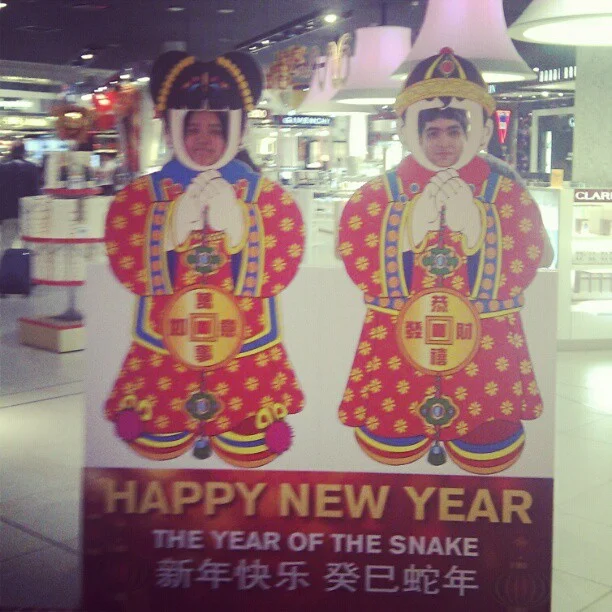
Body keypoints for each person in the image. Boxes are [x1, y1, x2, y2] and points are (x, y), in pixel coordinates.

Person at [337, 48, 551, 474]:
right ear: (413, 133)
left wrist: (480, 229)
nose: (444, 144)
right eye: (432, 132)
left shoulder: (504, 190)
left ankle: (481, 421)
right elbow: (355, 253)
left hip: (484, 347)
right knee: (389, 437)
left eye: (453, 131)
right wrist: (405, 232)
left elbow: (535, 256)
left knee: (490, 440)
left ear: (476, 132)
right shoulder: (378, 194)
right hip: (402, 340)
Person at [104, 51, 305, 468]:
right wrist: (170, 230)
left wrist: (239, 233)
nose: (204, 138)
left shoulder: (266, 197)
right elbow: (126, 264)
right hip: (165, 344)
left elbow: (282, 267)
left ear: (237, 131)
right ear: (174, 128)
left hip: (245, 345)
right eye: (192, 127)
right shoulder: (142, 197)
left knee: (249, 432)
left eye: (216, 128)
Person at [0, 140, 41, 252]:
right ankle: (28, 267)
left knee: (5, 244)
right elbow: (35, 191)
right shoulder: (32, 167)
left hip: (8, 213)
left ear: (11, 152)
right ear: (24, 152)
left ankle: (3, 267)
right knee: (29, 243)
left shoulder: (2, 168)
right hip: (28, 212)